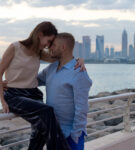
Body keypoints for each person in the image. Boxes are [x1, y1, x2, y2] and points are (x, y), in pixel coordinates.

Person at [0, 21, 84, 150]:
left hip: (33, 94)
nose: (48, 46)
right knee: (48, 111)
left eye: (51, 44)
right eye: (49, 41)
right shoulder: (14, 47)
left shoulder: (38, 53)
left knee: (39, 130)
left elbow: (62, 57)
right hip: (14, 95)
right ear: (39, 34)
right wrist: (3, 101)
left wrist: (79, 60)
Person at [38, 32, 92, 150]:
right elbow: (33, 81)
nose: (50, 48)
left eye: (53, 45)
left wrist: (75, 136)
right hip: (53, 132)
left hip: (70, 135)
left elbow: (82, 108)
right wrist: (8, 84)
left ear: (63, 48)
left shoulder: (79, 72)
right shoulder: (50, 69)